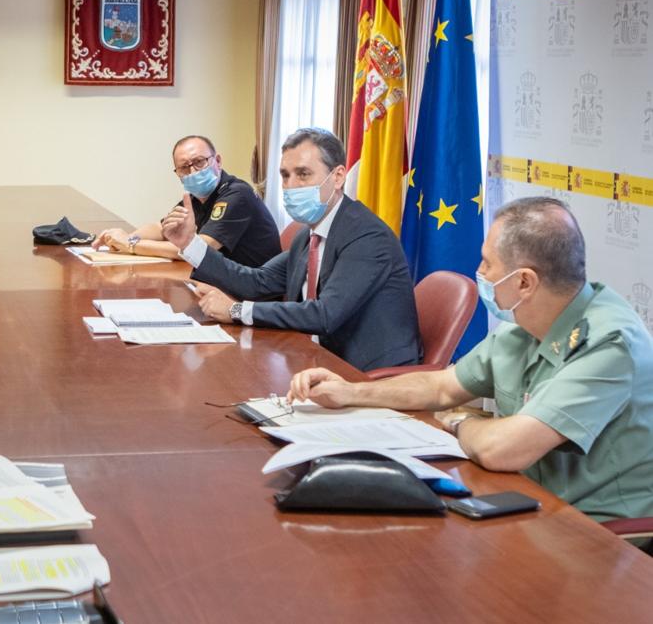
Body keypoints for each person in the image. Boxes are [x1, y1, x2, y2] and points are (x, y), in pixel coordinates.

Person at [288, 197, 653, 522]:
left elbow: (502, 449)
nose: (479, 271)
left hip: (596, 532)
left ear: (525, 282)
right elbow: (442, 386)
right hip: (524, 499)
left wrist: (460, 422)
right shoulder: (524, 325)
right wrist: (351, 392)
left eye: (487, 263)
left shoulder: (609, 343)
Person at [161, 127, 422, 371]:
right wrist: (189, 244)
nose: (291, 185)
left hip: (365, 372)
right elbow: (257, 282)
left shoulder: (366, 235)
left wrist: (236, 310)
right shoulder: (308, 234)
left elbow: (324, 314)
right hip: (313, 358)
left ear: (339, 176)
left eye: (304, 174)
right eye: (285, 175)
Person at [92, 135, 281, 268]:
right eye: (184, 167)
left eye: (200, 162)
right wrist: (125, 238)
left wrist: (131, 244)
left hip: (253, 294)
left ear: (218, 161)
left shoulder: (237, 195)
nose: (193, 172)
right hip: (222, 283)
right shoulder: (195, 197)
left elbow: (200, 248)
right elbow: (162, 229)